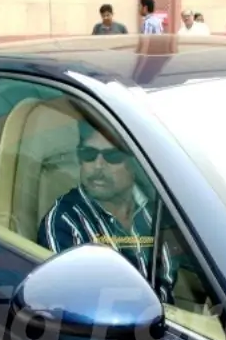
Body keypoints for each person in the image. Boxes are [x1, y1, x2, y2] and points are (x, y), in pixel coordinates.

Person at [37, 125, 176, 303]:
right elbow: (74, 303)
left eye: (113, 156)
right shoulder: (64, 222)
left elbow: (168, 281)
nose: (98, 166)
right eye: (89, 154)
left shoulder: (156, 211)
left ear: (136, 164)